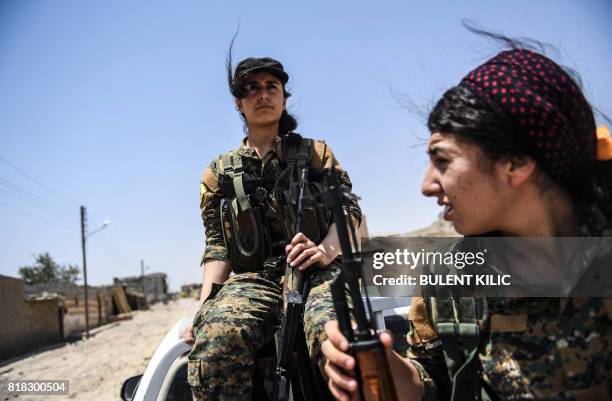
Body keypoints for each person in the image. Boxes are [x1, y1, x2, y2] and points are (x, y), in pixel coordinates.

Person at [322, 46, 612, 401]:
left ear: (516, 163)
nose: (426, 185)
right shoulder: (449, 278)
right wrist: (387, 369)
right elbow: (434, 381)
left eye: (442, 160)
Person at [184, 54, 362, 400]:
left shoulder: (316, 154)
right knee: (215, 343)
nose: (262, 95)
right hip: (255, 281)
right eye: (252, 89)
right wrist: (205, 307)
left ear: (283, 97)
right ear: (239, 102)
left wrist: (324, 252)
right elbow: (218, 245)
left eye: (271, 87)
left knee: (339, 338)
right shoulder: (219, 173)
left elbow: (350, 215)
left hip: (318, 273)